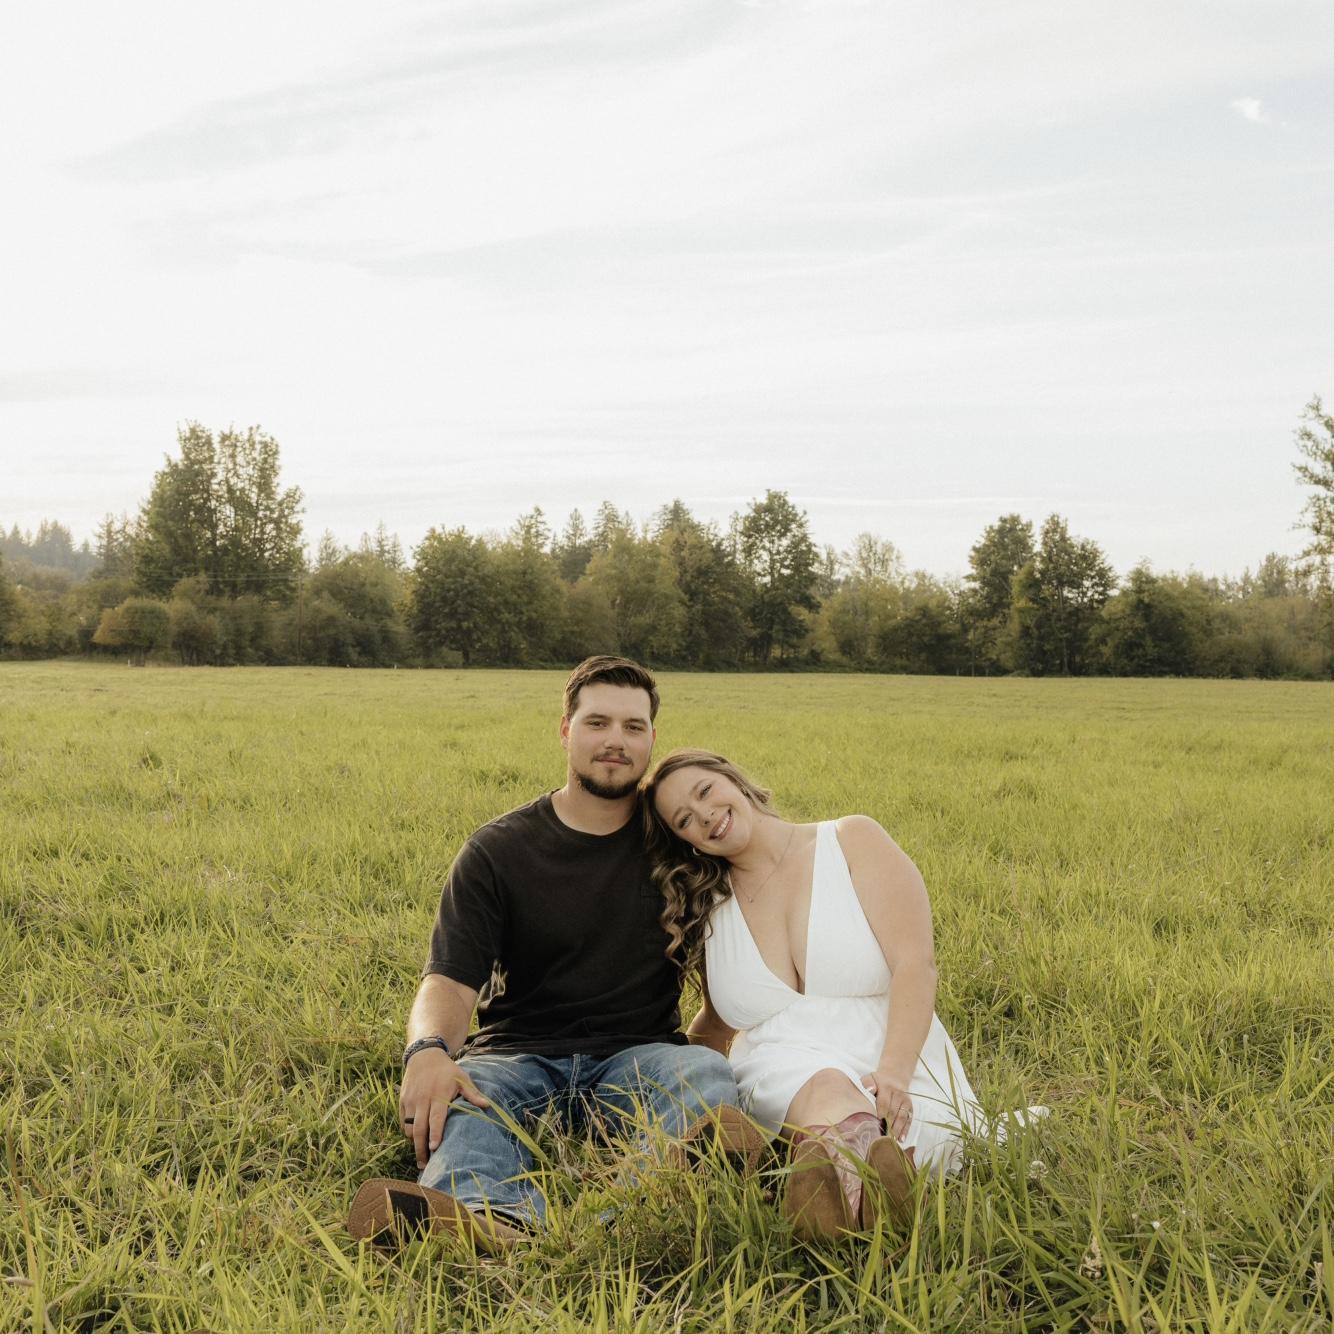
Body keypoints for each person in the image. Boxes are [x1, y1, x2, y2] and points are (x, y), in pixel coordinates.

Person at [348, 659, 757, 1253]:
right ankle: (489, 1220)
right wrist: (428, 1050)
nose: (616, 741)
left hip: (639, 1057)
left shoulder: (680, 841)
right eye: (597, 722)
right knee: (468, 1099)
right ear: (566, 730)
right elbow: (450, 981)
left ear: (651, 740)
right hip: (517, 1057)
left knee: (705, 1075)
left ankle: (632, 1210)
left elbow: (749, 927)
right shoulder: (497, 850)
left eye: (633, 727)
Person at [643, 748, 985, 1239]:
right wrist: (661, 1075)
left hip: (892, 1057)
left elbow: (916, 964)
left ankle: (839, 1199)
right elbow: (715, 1024)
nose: (705, 815)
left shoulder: (851, 840)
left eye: (705, 791)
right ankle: (868, 1200)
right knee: (826, 1086)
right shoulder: (709, 905)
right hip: (782, 1072)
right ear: (684, 841)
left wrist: (893, 1072)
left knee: (899, 1129)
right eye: (685, 820)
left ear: (732, 778)